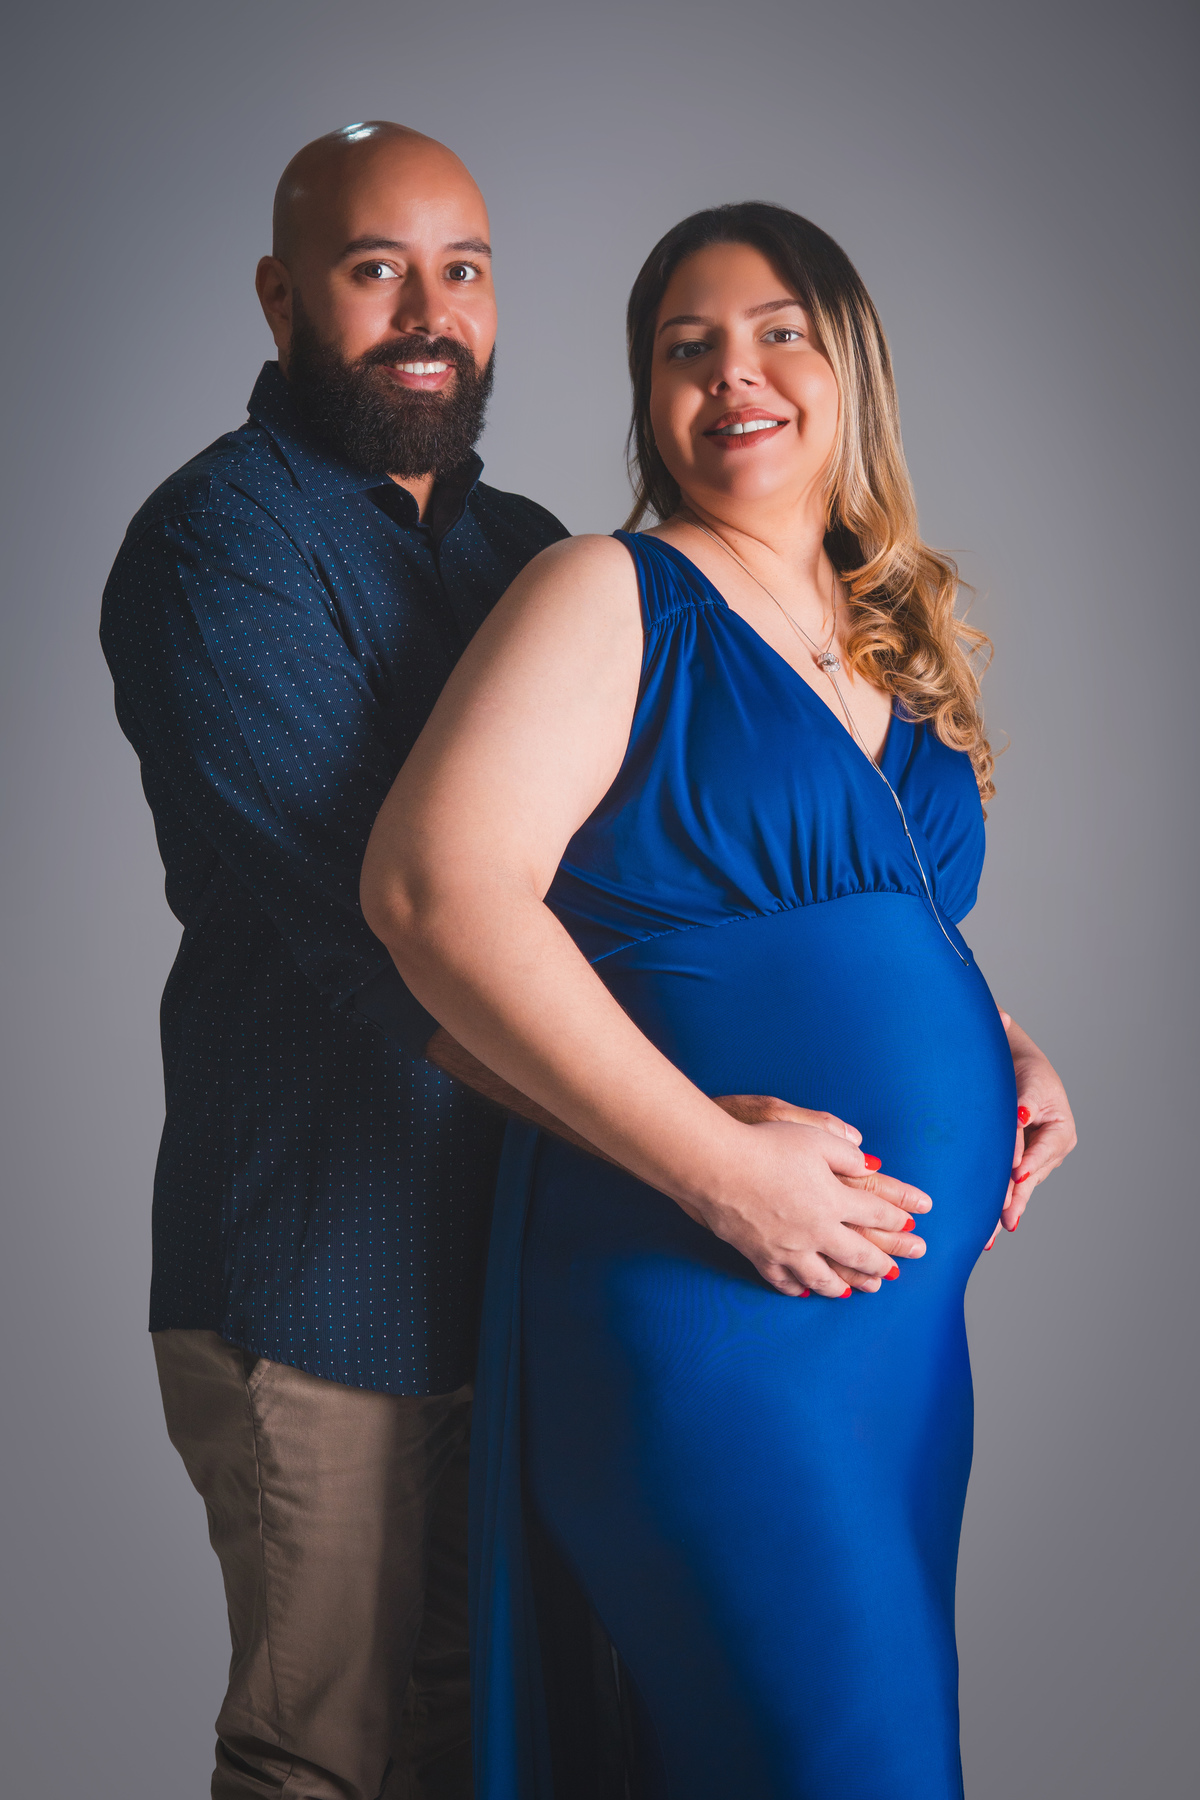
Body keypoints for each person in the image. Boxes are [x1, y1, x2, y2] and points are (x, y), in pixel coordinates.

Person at [360, 202, 1078, 1798]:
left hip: (896, 1350)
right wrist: (718, 1169)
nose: (731, 374)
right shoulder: (607, 592)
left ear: (852, 371)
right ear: (648, 398)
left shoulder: (890, 636)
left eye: (776, 336)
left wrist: (1004, 1046)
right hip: (705, 1293)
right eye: (687, 348)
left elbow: (863, 927)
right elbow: (429, 890)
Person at [99, 122, 567, 1800]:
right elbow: (410, 944)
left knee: (480, 1743)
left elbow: (659, 886)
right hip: (316, 1276)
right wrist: (698, 1155)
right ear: (281, 295)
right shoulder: (216, 548)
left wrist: (974, 1035)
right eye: (378, 270)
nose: (431, 313)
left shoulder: (535, 556)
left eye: (464, 271)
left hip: (512, 1262)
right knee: (325, 1758)